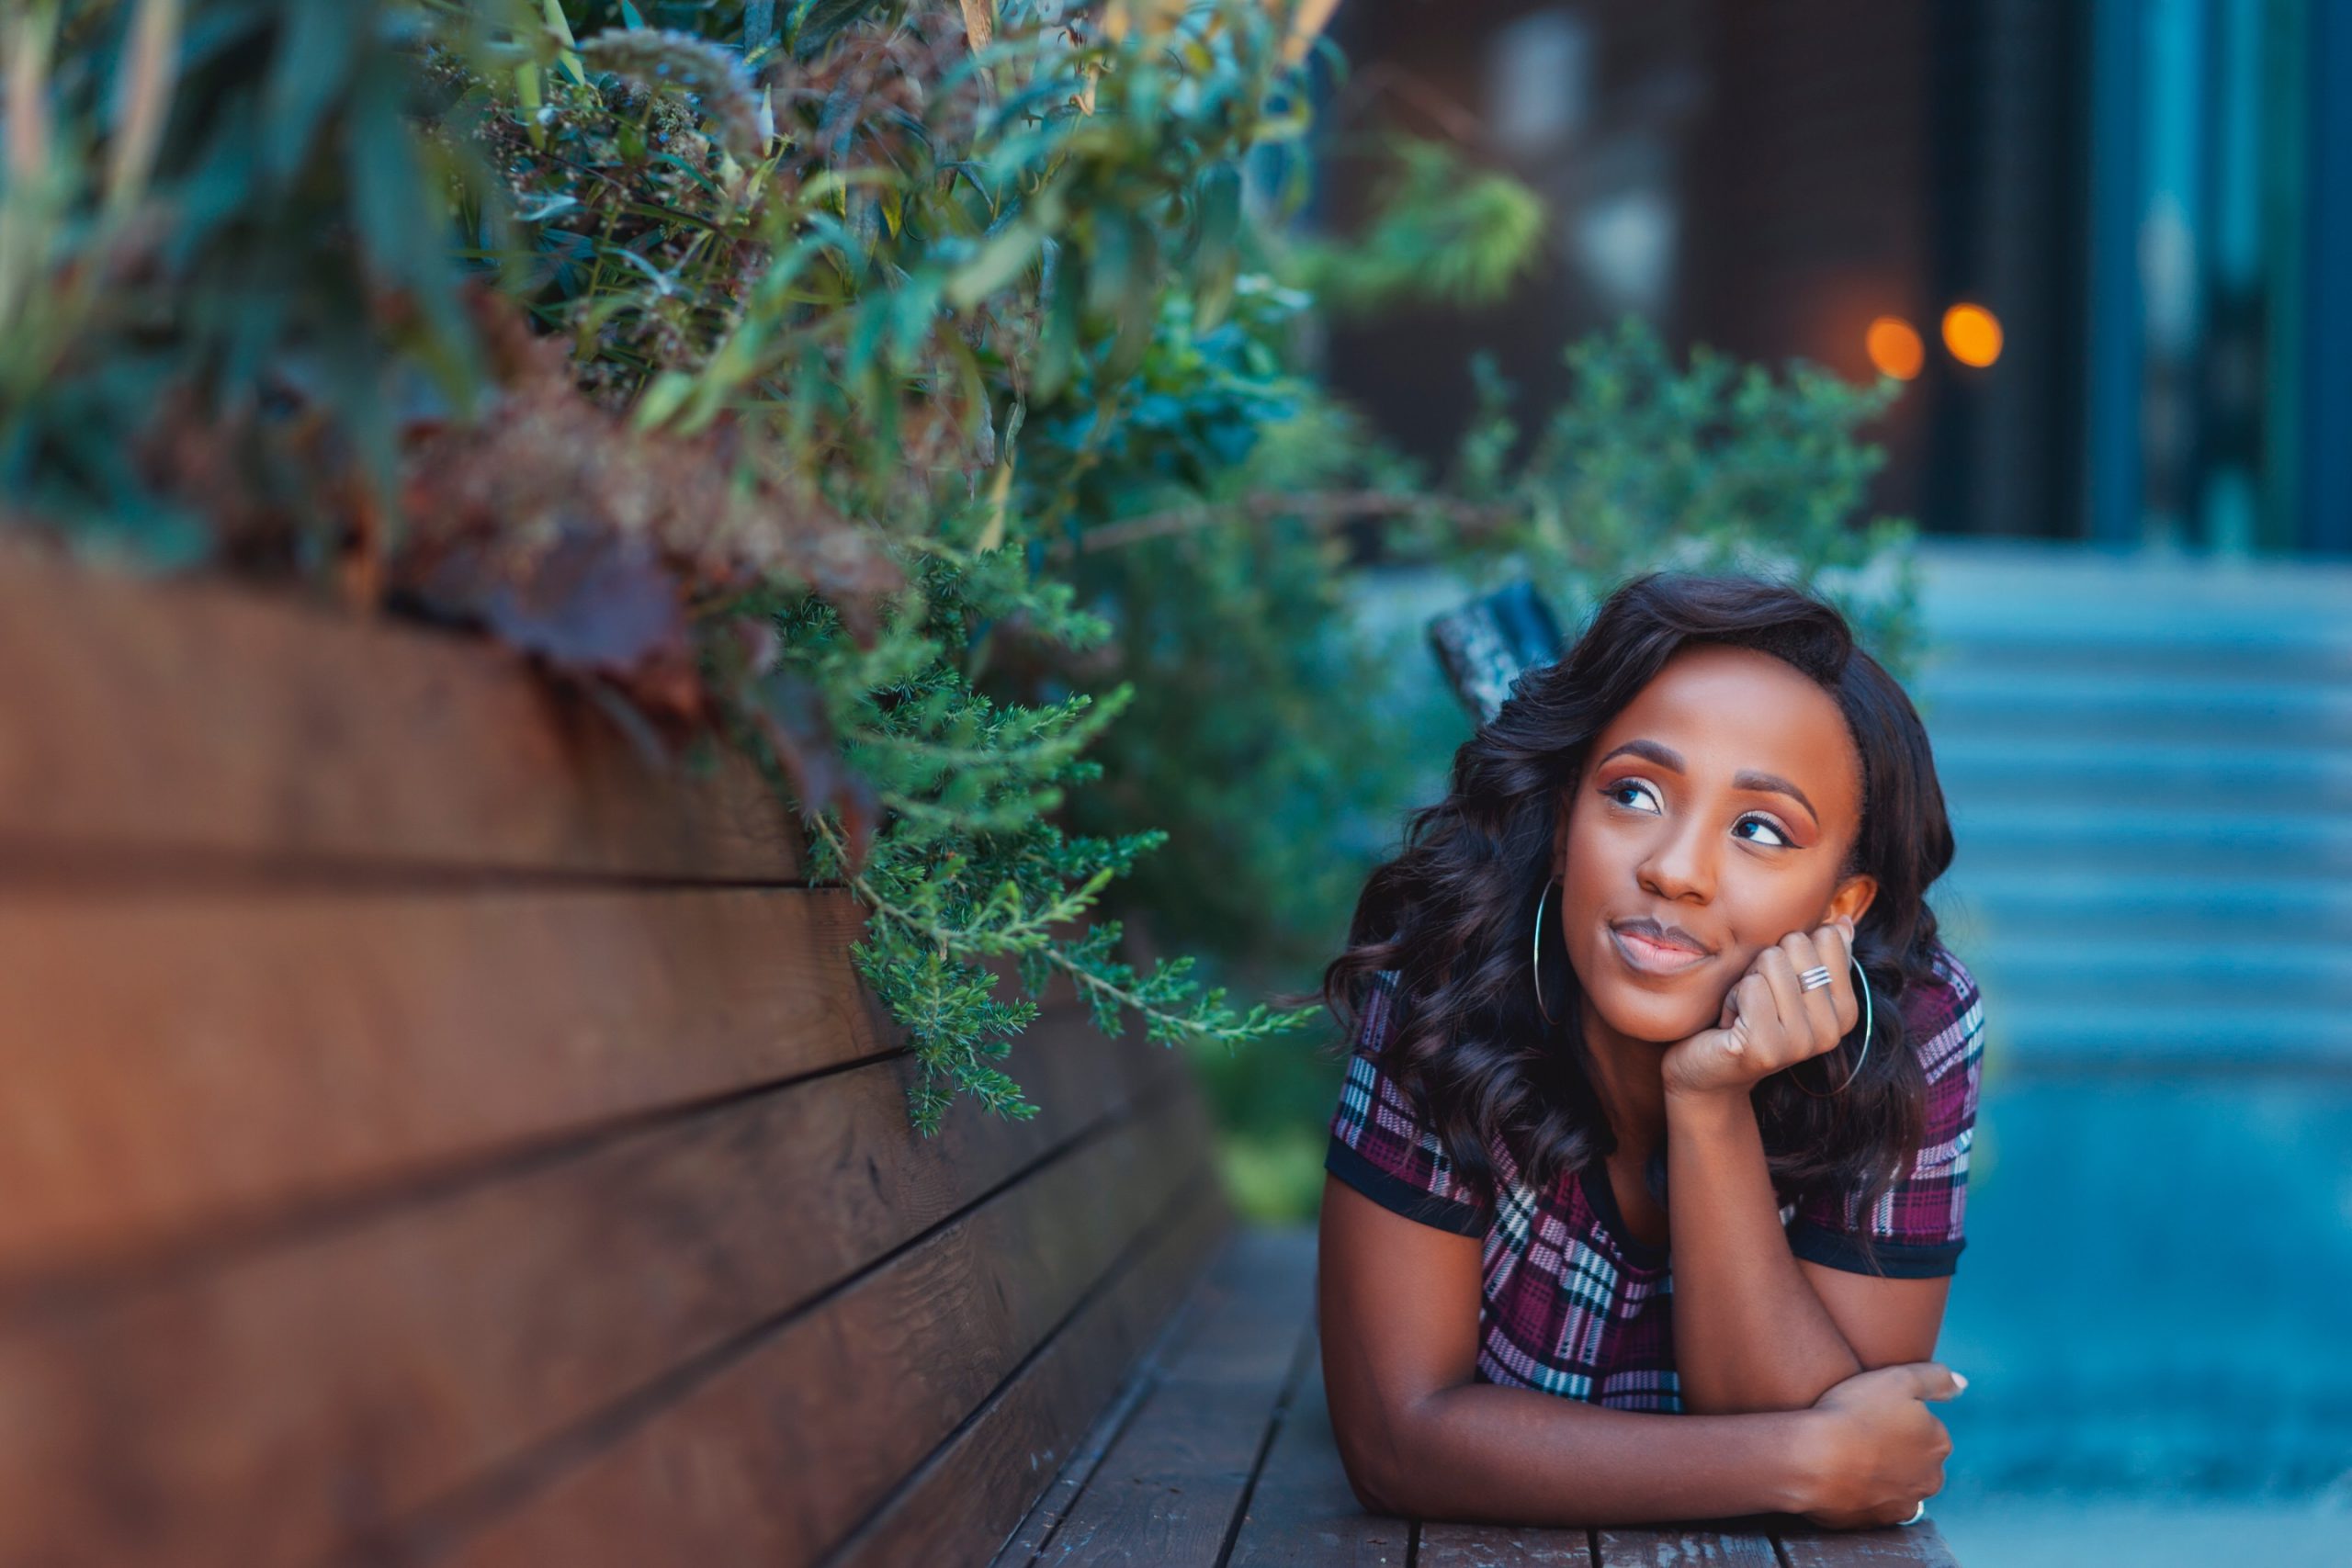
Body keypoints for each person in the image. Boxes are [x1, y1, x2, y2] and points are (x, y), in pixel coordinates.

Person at [1317, 570, 1983, 1531]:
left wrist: (1710, 1104)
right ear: (1561, 830)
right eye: (1632, 792)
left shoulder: (1910, 1030)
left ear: (1842, 906)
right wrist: (1792, 1460)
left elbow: (1865, 1462)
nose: (1672, 868)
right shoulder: (1448, 977)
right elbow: (1393, 1444)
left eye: (1758, 829)